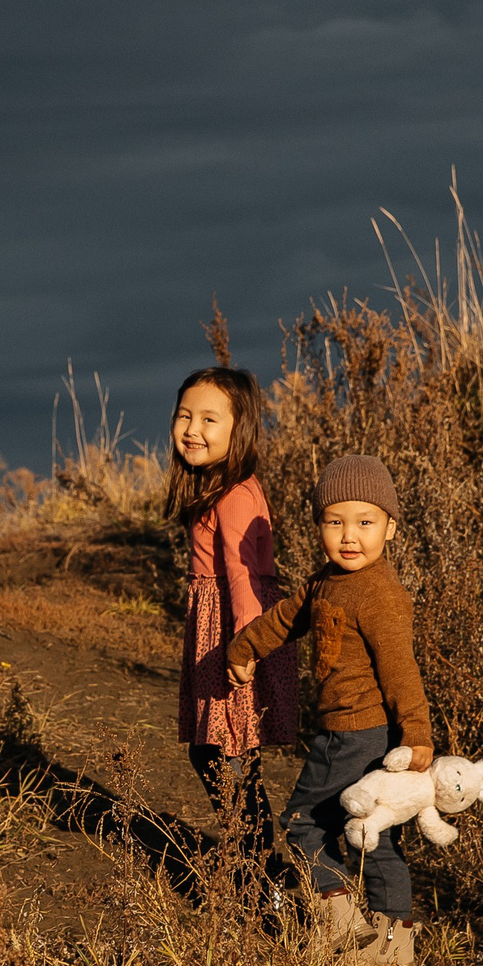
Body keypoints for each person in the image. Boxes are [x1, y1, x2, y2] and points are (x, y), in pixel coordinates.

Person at [227, 453, 429, 966]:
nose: (349, 536)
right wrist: (245, 649)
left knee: (302, 825)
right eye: (334, 521)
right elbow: (285, 619)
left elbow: (402, 671)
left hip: (358, 736)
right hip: (353, 732)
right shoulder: (324, 582)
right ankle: (394, 951)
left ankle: (342, 928)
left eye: (365, 522)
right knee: (373, 834)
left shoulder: (380, 594)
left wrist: (419, 738)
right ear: (318, 525)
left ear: (390, 529)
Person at [168, 366, 299, 877]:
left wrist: (246, 646)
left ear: (238, 428)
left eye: (209, 419)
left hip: (233, 632)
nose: (192, 429)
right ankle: (257, 866)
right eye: (184, 415)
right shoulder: (219, 486)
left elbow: (244, 576)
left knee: (221, 756)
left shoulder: (233, 494)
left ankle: (264, 873)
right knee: (227, 756)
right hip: (221, 627)